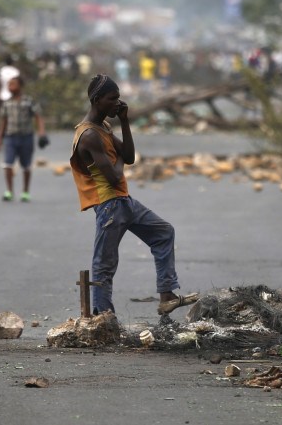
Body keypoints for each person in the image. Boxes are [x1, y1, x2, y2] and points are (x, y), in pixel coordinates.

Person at [69, 74, 197, 316]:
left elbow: (128, 157)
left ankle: (167, 294)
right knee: (104, 266)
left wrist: (125, 122)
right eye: (112, 99)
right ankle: (102, 316)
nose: (118, 103)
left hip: (123, 202)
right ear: (97, 100)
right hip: (109, 206)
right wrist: (117, 160)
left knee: (163, 232)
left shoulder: (103, 127)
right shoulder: (89, 135)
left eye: (119, 98)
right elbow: (115, 176)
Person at [0, 76, 46, 202]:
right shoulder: (7, 103)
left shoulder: (28, 102)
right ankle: (9, 191)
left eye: (13, 84)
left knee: (26, 165)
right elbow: (4, 121)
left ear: (20, 86)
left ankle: (25, 191)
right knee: (7, 164)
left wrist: (41, 132)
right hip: (10, 137)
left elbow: (38, 117)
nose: (10, 87)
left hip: (26, 137)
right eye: (9, 84)